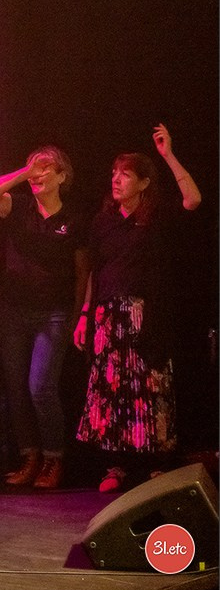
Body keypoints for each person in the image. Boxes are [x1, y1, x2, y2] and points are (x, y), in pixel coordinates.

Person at [73, 124, 201, 493]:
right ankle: (117, 465)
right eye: (114, 173)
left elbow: (193, 200)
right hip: (107, 315)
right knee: (113, 391)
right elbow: (95, 271)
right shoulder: (104, 220)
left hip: (146, 315)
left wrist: (168, 156)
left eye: (125, 174)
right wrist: (85, 315)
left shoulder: (156, 217)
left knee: (148, 387)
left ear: (144, 183)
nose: (116, 179)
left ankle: (155, 464)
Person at [0, 145, 88, 490]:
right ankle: (30, 457)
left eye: (45, 169)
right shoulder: (20, 207)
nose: (38, 174)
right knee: (15, 388)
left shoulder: (73, 219)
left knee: (40, 386)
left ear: (62, 176)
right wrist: (24, 173)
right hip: (13, 310)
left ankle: (54, 457)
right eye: (33, 168)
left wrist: (79, 313)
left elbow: (83, 271)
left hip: (52, 313)